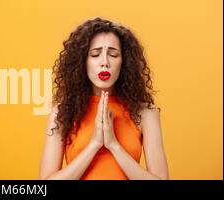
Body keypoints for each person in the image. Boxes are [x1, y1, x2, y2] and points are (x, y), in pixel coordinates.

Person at [39, 17, 169, 180]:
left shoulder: (145, 113)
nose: (105, 62)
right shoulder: (63, 112)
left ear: (124, 62)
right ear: (82, 62)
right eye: (95, 54)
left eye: (113, 54)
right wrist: (94, 144)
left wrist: (113, 145)